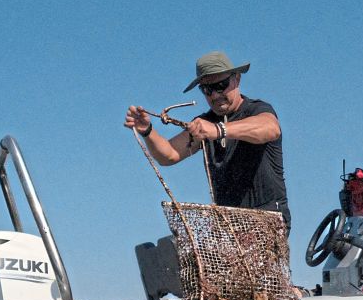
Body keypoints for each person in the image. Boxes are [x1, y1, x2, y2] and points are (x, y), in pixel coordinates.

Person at [124, 51, 291, 232]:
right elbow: (169, 154)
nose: (215, 95)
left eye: (221, 85)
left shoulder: (257, 110)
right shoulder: (204, 123)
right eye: (207, 90)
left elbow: (270, 128)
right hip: (228, 226)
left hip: (268, 220)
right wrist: (147, 131)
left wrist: (219, 130)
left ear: (237, 79)